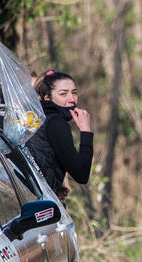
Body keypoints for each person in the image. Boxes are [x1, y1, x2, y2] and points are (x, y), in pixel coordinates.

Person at [26, 70, 93, 202]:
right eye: (63, 94)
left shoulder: (36, 118)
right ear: (47, 97)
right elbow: (81, 174)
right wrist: (86, 131)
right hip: (41, 206)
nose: (72, 99)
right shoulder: (56, 123)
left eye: (74, 93)